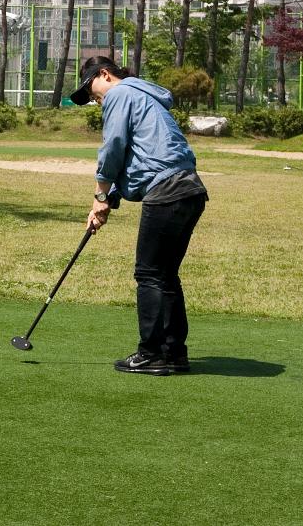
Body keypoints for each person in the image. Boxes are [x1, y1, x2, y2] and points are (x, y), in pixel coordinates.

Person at [70, 56, 208, 376]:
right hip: (189, 190)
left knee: (149, 274)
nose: (95, 99)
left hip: (168, 192)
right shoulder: (144, 96)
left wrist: (100, 196)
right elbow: (143, 158)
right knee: (165, 275)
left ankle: (151, 352)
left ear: (104, 74)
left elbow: (113, 147)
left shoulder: (119, 94)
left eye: (92, 92)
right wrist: (112, 198)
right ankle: (173, 353)